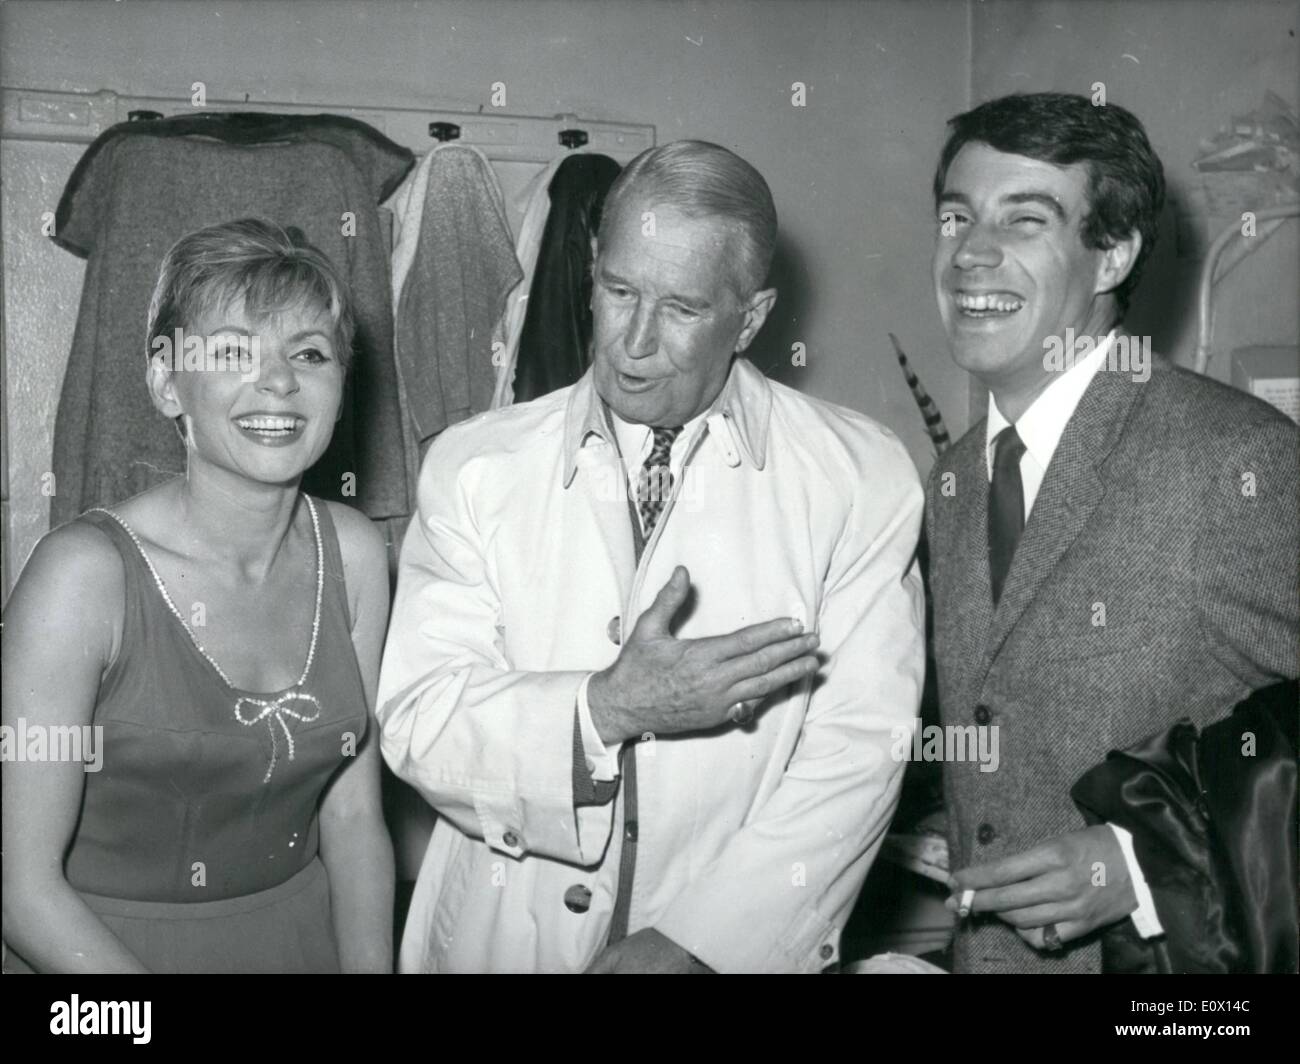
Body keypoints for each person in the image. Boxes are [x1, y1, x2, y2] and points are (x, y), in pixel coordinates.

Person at [377, 139, 925, 973]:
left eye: (681, 309)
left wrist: (701, 944)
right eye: (618, 290)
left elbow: (856, 753)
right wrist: (607, 709)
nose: (632, 341)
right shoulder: (473, 465)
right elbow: (422, 719)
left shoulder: (860, 476)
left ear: (751, 318)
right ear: (591, 273)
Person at [924, 92, 1299, 973]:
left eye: (1026, 220)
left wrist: (1139, 859)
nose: (971, 254)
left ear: (1113, 255)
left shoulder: (1236, 461)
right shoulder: (949, 477)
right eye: (955, 217)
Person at [1, 218, 394, 973]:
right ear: (164, 381)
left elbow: (351, 815)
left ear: (341, 389)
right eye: (232, 352)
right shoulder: (81, 577)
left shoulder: (356, 551)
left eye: (309, 353)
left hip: (296, 942)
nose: (278, 381)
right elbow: (22, 892)